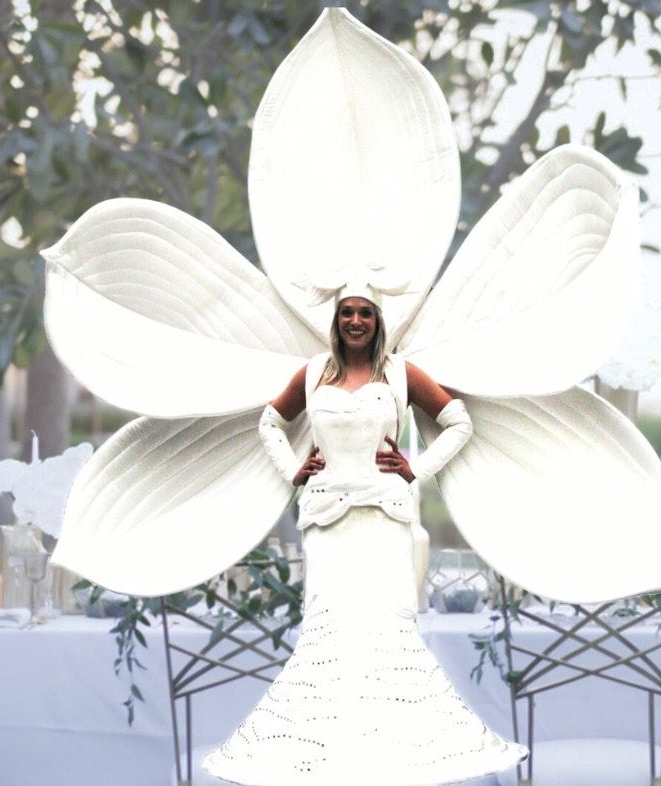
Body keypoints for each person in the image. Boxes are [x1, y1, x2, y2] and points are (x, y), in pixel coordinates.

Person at [203, 292, 527, 785]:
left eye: (365, 313)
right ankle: (324, 763)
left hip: (384, 519)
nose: (356, 321)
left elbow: (459, 421)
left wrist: (416, 469)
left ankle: (392, 762)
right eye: (347, 313)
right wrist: (293, 469)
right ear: (336, 321)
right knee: (330, 636)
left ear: (378, 321)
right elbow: (269, 422)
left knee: (383, 636)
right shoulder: (314, 373)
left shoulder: (400, 372)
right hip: (328, 521)